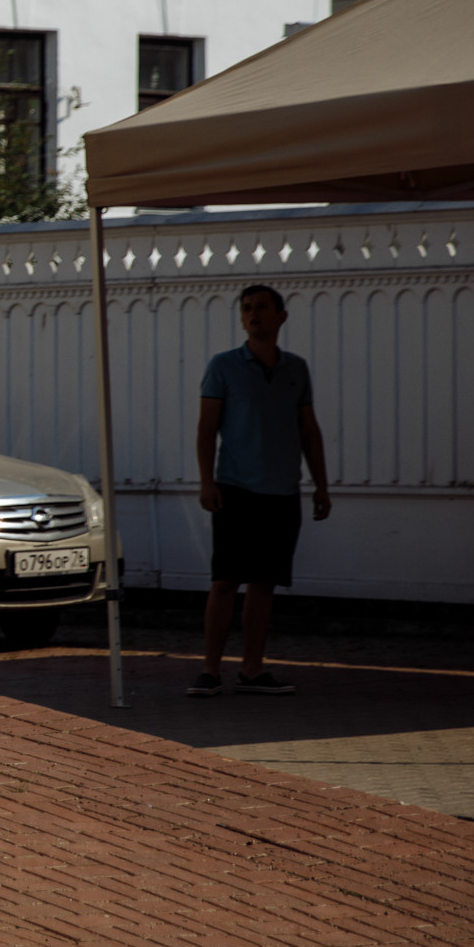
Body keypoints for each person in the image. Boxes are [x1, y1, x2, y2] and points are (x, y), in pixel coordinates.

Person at [190, 283, 331, 697]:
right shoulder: (223, 366)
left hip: (282, 492)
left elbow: (308, 429)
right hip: (235, 489)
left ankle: (252, 669)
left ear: (280, 316)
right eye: (247, 309)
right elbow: (206, 427)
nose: (254, 314)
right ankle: (210, 670)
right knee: (225, 581)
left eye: (262, 308)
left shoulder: (295, 369)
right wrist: (206, 480)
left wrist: (321, 484)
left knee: (264, 584)